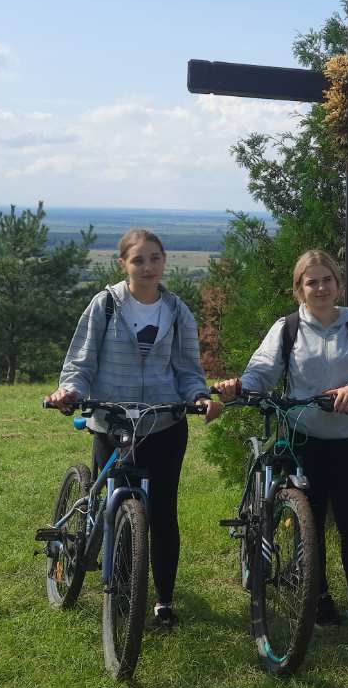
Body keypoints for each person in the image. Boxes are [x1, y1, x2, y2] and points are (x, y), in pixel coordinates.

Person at [46, 228, 223, 629]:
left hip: (163, 423)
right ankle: (119, 589)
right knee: (110, 507)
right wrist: (69, 391)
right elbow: (81, 362)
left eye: (155, 259)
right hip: (111, 420)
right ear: (122, 264)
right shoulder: (105, 305)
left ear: (165, 262)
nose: (147, 267)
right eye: (138, 260)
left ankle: (163, 599)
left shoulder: (176, 310)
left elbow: (188, 370)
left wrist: (199, 397)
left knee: (163, 514)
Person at [215, 249, 348, 625]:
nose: (321, 287)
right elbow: (261, 372)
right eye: (312, 281)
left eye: (327, 279)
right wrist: (240, 386)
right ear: (299, 289)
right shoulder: (287, 329)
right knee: (309, 522)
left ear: (338, 284)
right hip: (302, 438)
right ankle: (318, 595)